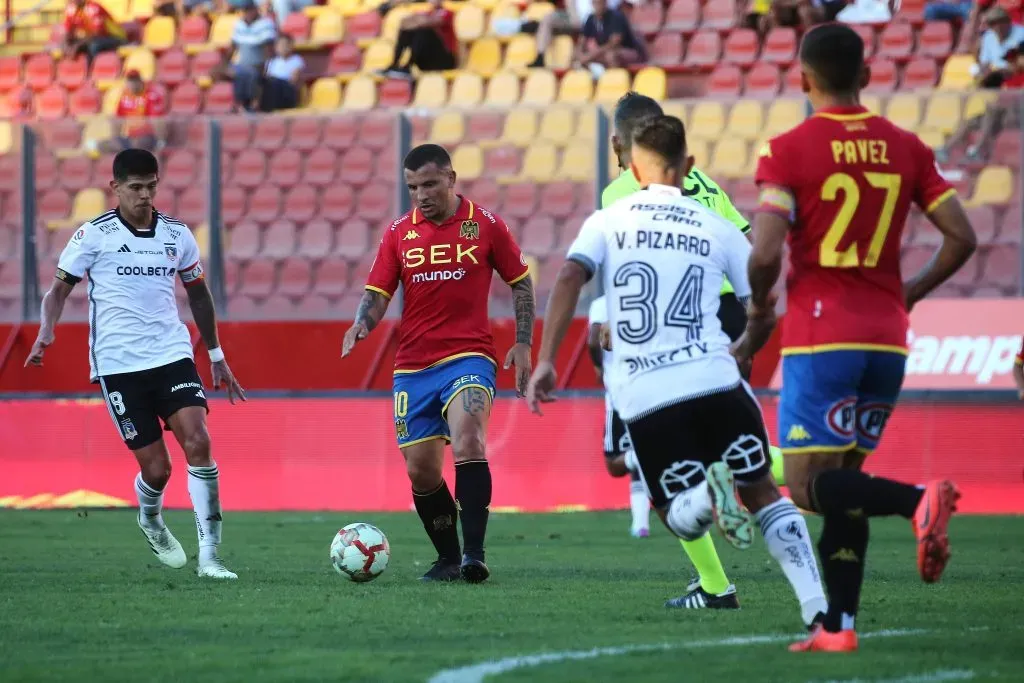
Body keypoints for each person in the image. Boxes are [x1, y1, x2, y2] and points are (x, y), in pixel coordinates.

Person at [526, 115, 828, 636]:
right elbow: (763, 284)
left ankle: (705, 501)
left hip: (648, 394)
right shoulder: (715, 225)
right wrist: (748, 342)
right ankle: (818, 609)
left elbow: (573, 274)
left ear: (635, 167)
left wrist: (548, 358)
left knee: (675, 512)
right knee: (763, 493)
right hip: (716, 380)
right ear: (688, 167)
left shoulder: (607, 219)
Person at [748, 23, 978, 652]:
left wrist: (762, 302)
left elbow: (766, 251)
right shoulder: (905, 146)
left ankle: (917, 500)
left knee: (802, 486)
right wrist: (907, 295)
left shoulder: (788, 150)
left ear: (802, 78)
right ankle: (838, 628)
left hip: (823, 333)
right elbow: (962, 236)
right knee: (844, 481)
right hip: (887, 336)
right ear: (868, 77)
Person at [601, 91, 787, 611]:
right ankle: (800, 471)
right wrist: (750, 322)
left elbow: (630, 269)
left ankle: (715, 584)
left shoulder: (621, 192)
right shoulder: (702, 184)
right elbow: (748, 242)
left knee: (668, 461)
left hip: (675, 323)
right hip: (727, 312)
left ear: (621, 141)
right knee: (726, 439)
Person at [25, 149, 246, 580]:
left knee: (198, 441)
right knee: (157, 469)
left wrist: (216, 355)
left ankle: (211, 559)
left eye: (151, 187)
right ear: (116, 188)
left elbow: (198, 294)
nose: (145, 196)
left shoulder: (177, 235)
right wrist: (46, 330)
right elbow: (57, 290)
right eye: (136, 188)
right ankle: (150, 518)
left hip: (171, 354)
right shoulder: (93, 235)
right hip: (118, 364)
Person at [342, 144, 534, 583]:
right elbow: (378, 292)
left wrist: (523, 343)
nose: (421, 195)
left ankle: (474, 555)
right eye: (412, 187)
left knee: (469, 441)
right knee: (421, 471)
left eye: (429, 184)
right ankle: (448, 558)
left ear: (451, 178)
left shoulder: (484, 225)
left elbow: (521, 284)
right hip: (413, 365)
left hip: (469, 355)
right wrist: (360, 324)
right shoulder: (398, 233)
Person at [587, 294, 649, 538]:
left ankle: (641, 523)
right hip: (654, 389)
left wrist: (599, 366)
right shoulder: (651, 296)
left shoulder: (602, 303)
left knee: (615, 463)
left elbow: (593, 341)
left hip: (620, 394)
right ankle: (641, 524)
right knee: (639, 459)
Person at [90, 70, 166, 155]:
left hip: (148, 137)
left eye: (135, 81)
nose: (132, 84)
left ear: (140, 81)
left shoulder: (150, 95)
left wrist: (160, 140)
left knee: (138, 145)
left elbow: (156, 120)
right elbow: (118, 119)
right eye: (130, 81)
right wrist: (116, 137)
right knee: (103, 145)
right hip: (130, 138)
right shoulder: (125, 96)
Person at [378, 0, 458, 79]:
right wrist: (418, 22)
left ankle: (408, 66)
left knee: (423, 31)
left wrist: (418, 21)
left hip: (444, 60)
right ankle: (394, 65)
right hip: (427, 59)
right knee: (407, 31)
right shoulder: (427, 13)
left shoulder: (448, 13)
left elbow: (431, 22)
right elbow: (404, 22)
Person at [573, 0, 646, 69]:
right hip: (603, 52)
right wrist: (580, 55)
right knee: (576, 56)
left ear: (605, 2)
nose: (598, 5)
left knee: (611, 56)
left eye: (600, 2)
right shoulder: (591, 18)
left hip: (629, 51)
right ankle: (592, 79)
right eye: (595, 2)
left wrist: (590, 56)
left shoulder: (616, 16)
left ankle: (616, 80)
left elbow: (613, 44)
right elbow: (581, 42)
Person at [260, 35, 304, 112]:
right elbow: (266, 76)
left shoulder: (296, 60)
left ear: (291, 46)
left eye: (286, 45)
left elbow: (293, 81)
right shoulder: (272, 61)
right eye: (280, 45)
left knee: (274, 83)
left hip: (287, 90)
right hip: (273, 87)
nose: (283, 48)